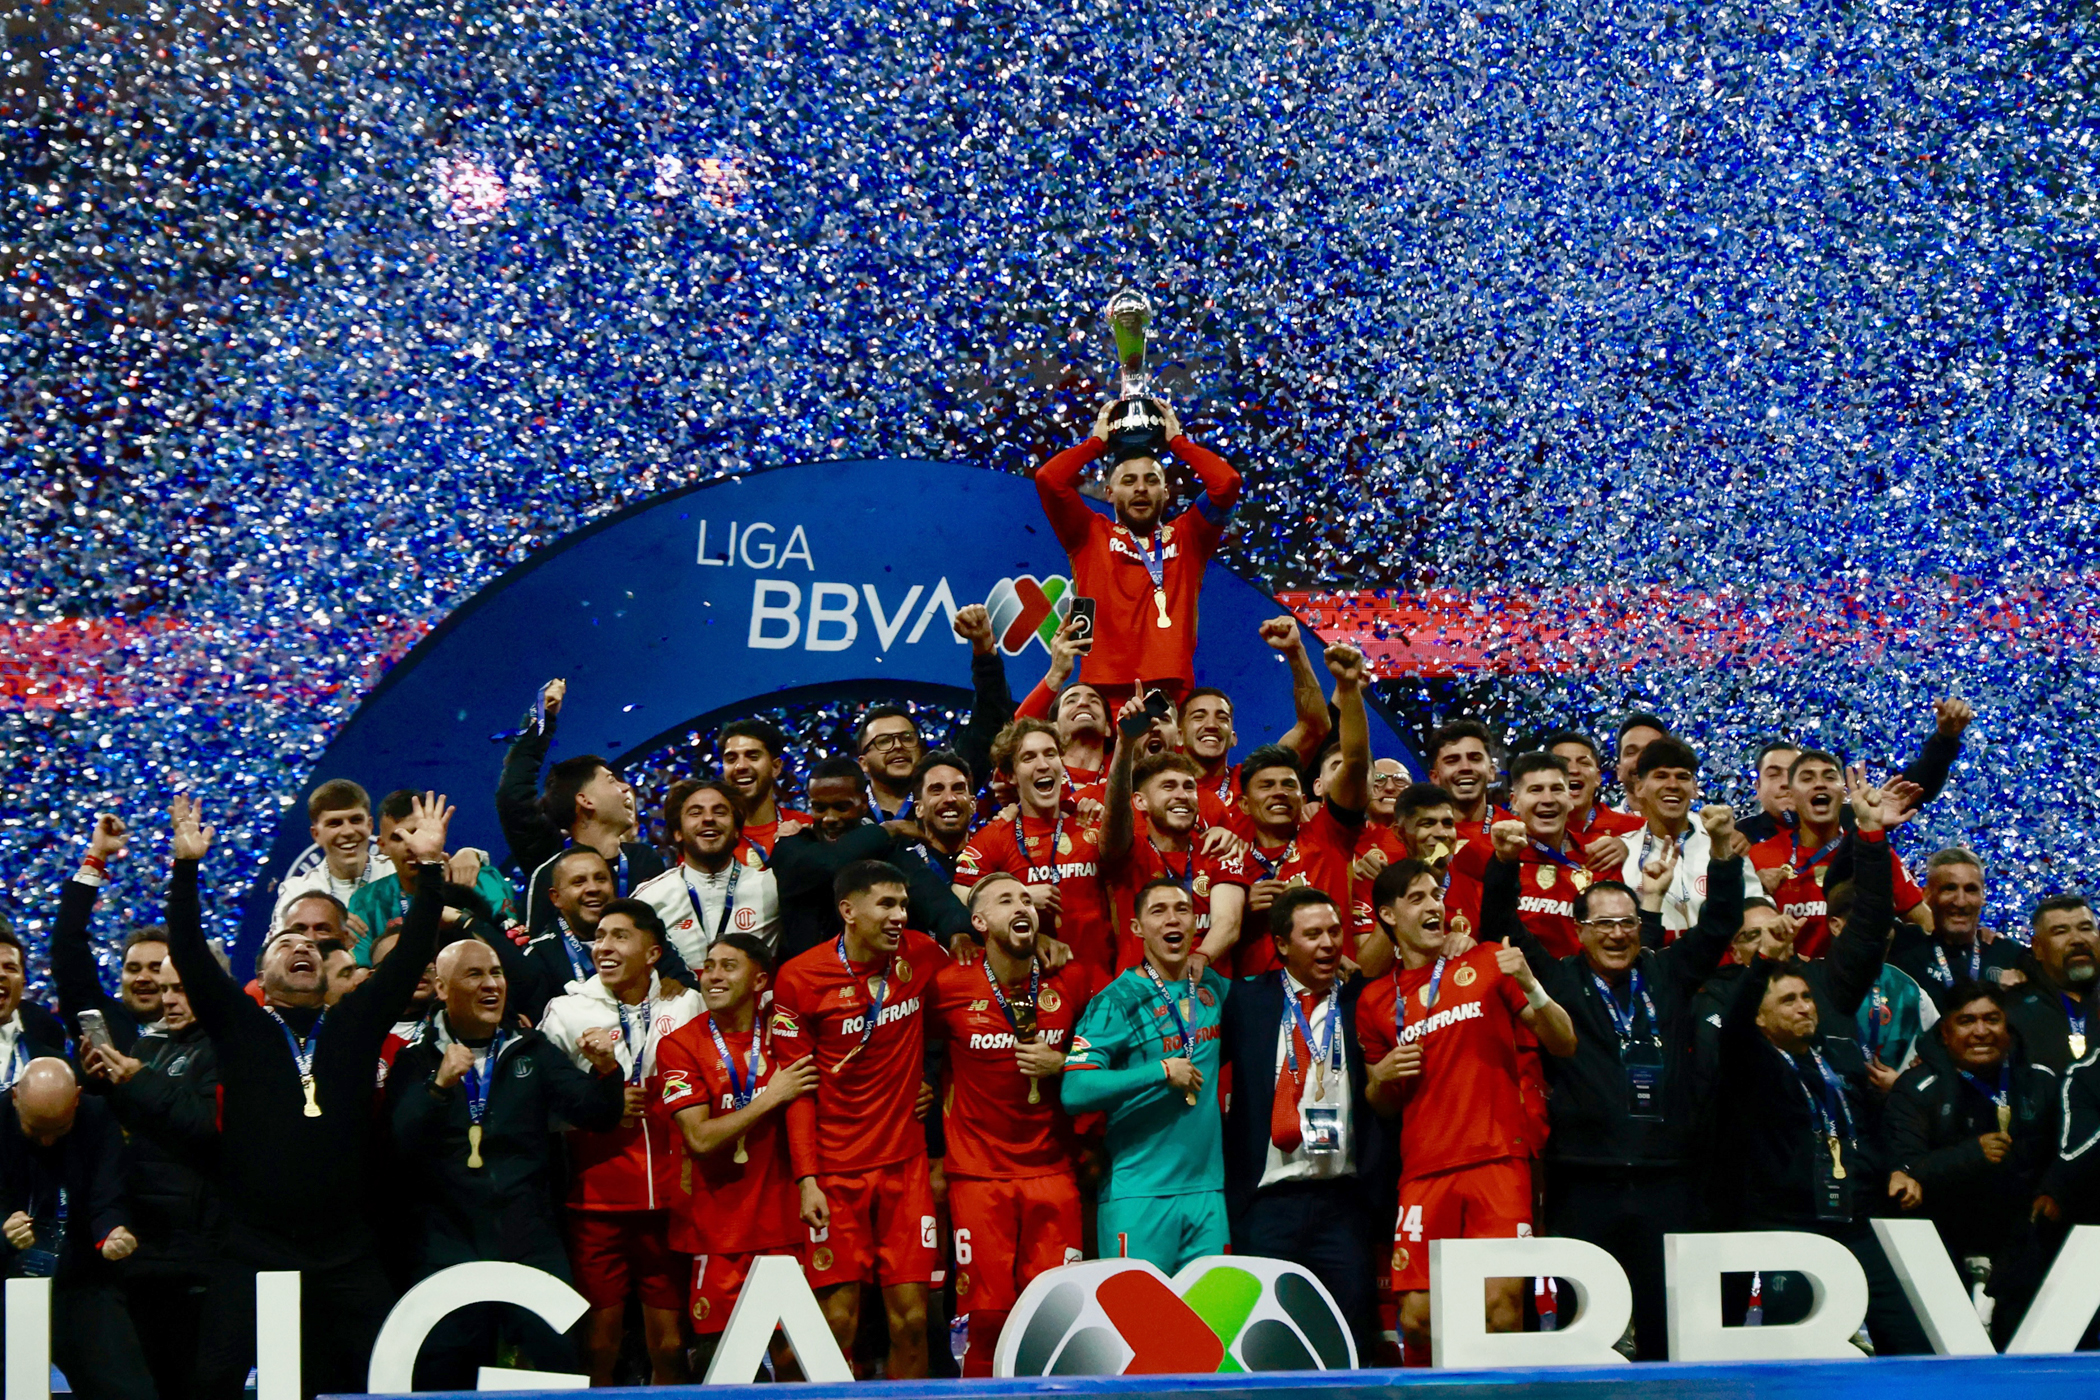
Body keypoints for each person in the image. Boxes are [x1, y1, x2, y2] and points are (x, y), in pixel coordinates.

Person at [165, 791, 451, 1399]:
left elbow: (409, 958)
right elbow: (188, 953)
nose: (301, 948)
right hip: (251, 1244)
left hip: (344, 1247)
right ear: (261, 976)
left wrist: (429, 869)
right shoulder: (240, 1025)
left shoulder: (353, 1022)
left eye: (313, 948)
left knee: (384, 1376)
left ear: (328, 973)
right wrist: (186, 868)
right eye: (285, 943)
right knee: (213, 1379)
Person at [1511, 806, 1746, 1360]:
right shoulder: (1560, 978)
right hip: (1584, 1181)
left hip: (1669, 1180)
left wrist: (1722, 852)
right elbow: (1505, 920)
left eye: (1626, 923)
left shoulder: (1667, 972)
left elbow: (1718, 924)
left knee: (1674, 1331)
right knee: (1581, 1331)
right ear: (1579, 931)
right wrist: (1502, 864)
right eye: (1604, 924)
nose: (1617, 935)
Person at [1358, 852, 1577, 1365]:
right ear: (1388, 915)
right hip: (1424, 1171)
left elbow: (1564, 1043)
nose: (1434, 906)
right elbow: (1381, 1102)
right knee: (1415, 1316)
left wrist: (1528, 982)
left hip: (1497, 1161)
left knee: (1502, 1310)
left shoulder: (1483, 962)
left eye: (1437, 895)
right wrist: (1381, 1078)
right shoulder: (1373, 1001)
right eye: (1417, 898)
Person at [387, 937, 627, 1389]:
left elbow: (598, 1114)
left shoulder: (530, 1050)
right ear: (442, 987)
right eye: (474, 974)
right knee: (447, 1378)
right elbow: (399, 1146)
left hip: (529, 1239)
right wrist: (438, 1088)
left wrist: (606, 1072)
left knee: (560, 1372)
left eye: (495, 972)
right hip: (448, 1245)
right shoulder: (415, 1059)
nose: (491, 983)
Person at [772, 860, 949, 1379]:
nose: (899, 916)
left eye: (903, 905)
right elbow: (797, 1091)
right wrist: (807, 1179)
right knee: (836, 1324)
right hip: (835, 1172)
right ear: (848, 911)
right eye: (886, 905)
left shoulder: (922, 954)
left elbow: (965, 1004)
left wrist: (932, 1086)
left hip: (906, 1168)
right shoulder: (800, 978)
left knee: (914, 1322)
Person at [1712, 951, 1930, 1354]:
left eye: (1807, 997)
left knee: (1911, 1339)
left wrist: (1895, 1169)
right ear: (1760, 1019)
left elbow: (1868, 1127)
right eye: (1788, 1000)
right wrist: (1762, 963)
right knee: (1797, 1351)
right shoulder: (1751, 1063)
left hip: (1856, 1217)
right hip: (1789, 1227)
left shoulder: (1839, 1058)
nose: (1804, 1007)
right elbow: (1735, 1026)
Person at [929, 874, 1093, 1375]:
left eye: (1027, 898)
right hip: (979, 1175)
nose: (1022, 905)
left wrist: (1062, 1061)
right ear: (978, 922)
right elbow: (920, 1051)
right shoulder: (948, 985)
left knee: (1058, 1314)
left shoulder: (1071, 979)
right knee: (987, 1317)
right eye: (1006, 900)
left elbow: (1104, 1051)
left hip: (1052, 1172)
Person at [537, 900, 704, 1385]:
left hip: (670, 1202)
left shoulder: (685, 1002)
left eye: (618, 937)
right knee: (598, 1345)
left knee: (671, 1348)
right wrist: (599, 1099)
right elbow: (545, 1106)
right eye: (599, 937)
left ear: (653, 952)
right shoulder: (567, 1011)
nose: (603, 947)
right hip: (599, 1203)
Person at [1219, 886, 1384, 1360]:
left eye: (1335, 932)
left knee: (1350, 1342)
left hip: (1343, 1204)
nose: (1329, 944)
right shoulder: (1246, 1002)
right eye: (1313, 934)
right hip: (1268, 1204)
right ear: (1282, 945)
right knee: (1265, 1343)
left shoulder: (1361, 1001)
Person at [658, 934, 819, 1370]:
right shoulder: (679, 1046)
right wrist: (770, 1097)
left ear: (760, 980)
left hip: (787, 1224)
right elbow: (700, 1138)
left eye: (728, 966)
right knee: (725, 1366)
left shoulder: (785, 1032)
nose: (713, 975)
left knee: (795, 1364)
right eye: (708, 965)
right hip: (718, 1232)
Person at [1063, 878, 1232, 1272]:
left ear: (1195, 923)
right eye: (1158, 911)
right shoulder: (1115, 1002)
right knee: (1138, 1328)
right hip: (1138, 1194)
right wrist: (1159, 1071)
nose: (1172, 919)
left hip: (1207, 1193)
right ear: (1137, 928)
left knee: (1211, 1325)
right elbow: (1075, 1089)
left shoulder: (1213, 989)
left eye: (1183, 910)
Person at [1033, 396, 1242, 706]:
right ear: (1109, 492)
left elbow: (1227, 483)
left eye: (1151, 480)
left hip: (1172, 694)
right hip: (1103, 695)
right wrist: (1096, 443)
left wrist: (1177, 441)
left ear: (1166, 491)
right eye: (1128, 481)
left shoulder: (1189, 536)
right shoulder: (1089, 533)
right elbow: (1048, 480)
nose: (1140, 488)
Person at [78, 951, 221, 1400]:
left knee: (193, 1384)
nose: (169, 1001)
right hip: (142, 1247)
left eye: (180, 989)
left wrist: (138, 1081)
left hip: (196, 1252)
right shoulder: (148, 1046)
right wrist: (104, 1082)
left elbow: (206, 1126)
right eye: (163, 991)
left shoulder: (228, 1047)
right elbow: (132, 1127)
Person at [1881, 982, 2058, 1317]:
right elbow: (1905, 1168)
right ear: (1945, 1033)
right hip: (1945, 1234)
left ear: (2008, 1027)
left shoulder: (2041, 1081)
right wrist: (1971, 1155)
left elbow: (2061, 1154)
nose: (1981, 1031)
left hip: (2023, 1238)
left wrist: (2054, 1191)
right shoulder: (1916, 1088)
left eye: (1992, 1019)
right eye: (1966, 1021)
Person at [0, 1058, 153, 1400]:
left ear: (77, 1099)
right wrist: (2, 1230)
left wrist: (114, 1230)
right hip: (5, 1280)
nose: (48, 1142)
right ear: (14, 1099)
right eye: (35, 1130)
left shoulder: (97, 1117)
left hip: (81, 1279)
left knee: (129, 1391)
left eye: (59, 1129)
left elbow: (108, 1192)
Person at [1233, 644, 1373, 977]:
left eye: (1289, 785)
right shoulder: (1229, 853)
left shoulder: (1328, 835)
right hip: (1257, 1004)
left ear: (1304, 794)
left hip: (1330, 994)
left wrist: (1349, 689)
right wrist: (1242, 908)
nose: (1280, 793)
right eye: (1266, 786)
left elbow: (1354, 761)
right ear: (1243, 804)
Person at [496, 679, 665, 932]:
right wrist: (543, 720)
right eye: (611, 780)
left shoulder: (645, 860)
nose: (625, 788)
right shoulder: (550, 856)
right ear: (585, 801)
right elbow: (513, 792)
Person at [954, 720, 1114, 976]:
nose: (1043, 764)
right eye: (1029, 757)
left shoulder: (1091, 821)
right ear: (1010, 775)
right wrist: (1019, 898)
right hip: (1035, 987)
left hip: (1103, 984)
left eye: (1050, 754)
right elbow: (959, 895)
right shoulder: (994, 837)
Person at [771, 758, 972, 960]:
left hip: (879, 975)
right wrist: (889, 829)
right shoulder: (792, 846)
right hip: (810, 977)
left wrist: (958, 930)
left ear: (864, 804)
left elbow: (928, 891)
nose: (829, 818)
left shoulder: (885, 849)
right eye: (819, 808)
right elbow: (828, 863)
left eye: (842, 807)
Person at [1749, 750, 1928, 957]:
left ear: (1844, 793)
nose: (1819, 784)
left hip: (1857, 982)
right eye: (1807, 778)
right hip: (1790, 982)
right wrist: (1756, 888)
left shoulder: (1871, 852)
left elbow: (1925, 924)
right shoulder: (1759, 857)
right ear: (1791, 795)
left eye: (1830, 777)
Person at [1101, 741, 1250, 976]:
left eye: (1189, 787)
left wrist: (1200, 957)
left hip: (1209, 992)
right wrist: (1125, 744)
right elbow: (1116, 812)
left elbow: (1228, 923)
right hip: (1141, 995)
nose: (1182, 796)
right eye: (1168, 787)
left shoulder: (1218, 848)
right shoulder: (1130, 851)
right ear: (1141, 801)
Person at [1181, 617, 1334, 832]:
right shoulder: (1163, 789)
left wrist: (1295, 652)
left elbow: (1314, 728)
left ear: (1233, 737)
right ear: (1178, 735)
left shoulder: (1257, 782)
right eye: (1199, 716)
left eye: (1222, 718)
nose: (1211, 724)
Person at [1446, 751, 1590, 958]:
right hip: (1507, 981)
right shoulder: (1481, 854)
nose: (1547, 799)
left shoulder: (1596, 856)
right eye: (1535, 790)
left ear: (1569, 799)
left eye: (1557, 789)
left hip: (1575, 986)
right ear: (1515, 802)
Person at [347, 788, 516, 961]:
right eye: (398, 837)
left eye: (419, 834)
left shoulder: (484, 882)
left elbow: (513, 953)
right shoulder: (365, 901)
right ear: (382, 846)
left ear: (440, 834)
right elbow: (363, 972)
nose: (412, 845)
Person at [1613, 738, 1758, 938]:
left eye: (1682, 777)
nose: (1672, 785)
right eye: (1661, 776)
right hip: (1648, 961)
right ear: (1639, 788)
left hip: (1719, 965)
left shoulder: (1722, 844)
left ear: (1694, 788)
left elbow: (1755, 905)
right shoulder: (1623, 849)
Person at [634, 778, 782, 966]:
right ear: (678, 832)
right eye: (695, 813)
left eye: (720, 812)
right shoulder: (649, 898)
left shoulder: (772, 887)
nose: (709, 819)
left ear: (737, 830)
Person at [54, 814, 166, 1051]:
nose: (142, 978)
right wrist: (97, 855)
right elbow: (67, 944)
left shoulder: (203, 1036)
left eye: (156, 968)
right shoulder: (103, 1023)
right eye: (133, 969)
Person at [1892, 849, 2024, 1011]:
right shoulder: (1903, 949)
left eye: (1971, 890)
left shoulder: (2010, 955)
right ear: (1927, 895)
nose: (1960, 902)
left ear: (1983, 897)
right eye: (1949, 889)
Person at [271, 779, 392, 931]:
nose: (348, 831)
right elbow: (280, 949)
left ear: (369, 825)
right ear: (316, 835)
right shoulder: (297, 892)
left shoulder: (397, 873)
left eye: (355, 820)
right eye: (334, 823)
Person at [1998, 896, 2098, 1071]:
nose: (2077, 939)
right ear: (2037, 948)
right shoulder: (2014, 1011)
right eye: (2060, 931)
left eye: (2085, 928)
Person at [717, 718, 811, 861]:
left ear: (776, 767)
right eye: (731, 759)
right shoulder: (711, 837)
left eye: (753, 757)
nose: (740, 766)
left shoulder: (806, 828)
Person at [1544, 730, 1644, 854]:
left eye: (1584, 763)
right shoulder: (1525, 833)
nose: (1574, 770)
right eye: (1562, 764)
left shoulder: (1633, 830)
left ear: (1598, 778)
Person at [1424, 719, 1505, 845]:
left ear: (1491, 772)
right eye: (1452, 760)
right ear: (1435, 777)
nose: (1465, 768)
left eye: (1475, 759)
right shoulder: (1414, 837)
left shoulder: (1521, 835)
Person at [901, 751, 976, 884]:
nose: (950, 798)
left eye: (958, 789)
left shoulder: (992, 857)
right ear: (919, 808)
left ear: (972, 805)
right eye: (936, 790)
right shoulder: (905, 865)